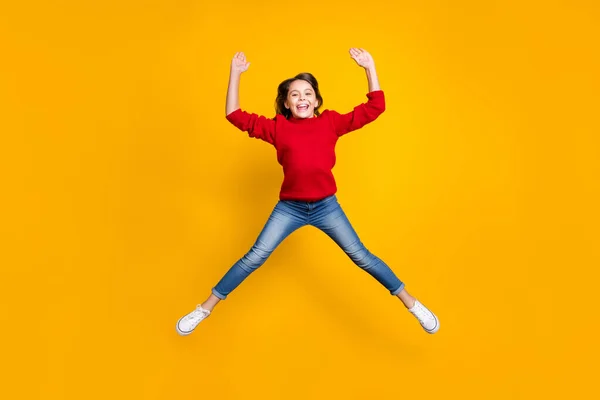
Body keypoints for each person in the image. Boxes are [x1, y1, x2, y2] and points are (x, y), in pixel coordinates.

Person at [176, 48, 439, 336]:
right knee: (254, 257)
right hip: (290, 208)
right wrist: (235, 73)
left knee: (361, 256)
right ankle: (205, 308)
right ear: (287, 104)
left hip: (327, 206)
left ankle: (412, 304)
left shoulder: (330, 122)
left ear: (316, 101)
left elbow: (375, 107)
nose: (302, 98)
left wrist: (369, 67)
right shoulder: (278, 128)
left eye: (307, 93)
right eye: (295, 95)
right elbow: (234, 115)